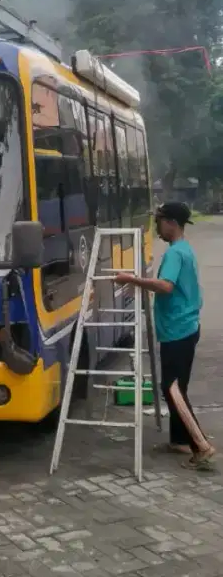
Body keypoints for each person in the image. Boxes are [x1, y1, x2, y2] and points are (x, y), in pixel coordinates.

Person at [115, 201, 215, 470]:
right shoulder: (183, 249)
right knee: (176, 387)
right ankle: (179, 440)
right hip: (185, 327)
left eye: (159, 221)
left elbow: (165, 286)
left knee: (171, 389)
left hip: (178, 330)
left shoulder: (174, 254)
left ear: (171, 222)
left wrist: (132, 279)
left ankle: (201, 446)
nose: (157, 227)